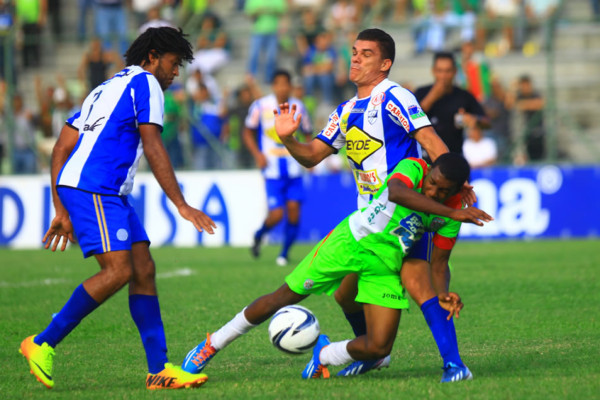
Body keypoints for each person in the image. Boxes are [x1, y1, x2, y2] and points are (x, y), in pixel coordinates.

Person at [252, 28, 478, 379]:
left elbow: (429, 138)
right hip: (368, 224)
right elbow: (312, 156)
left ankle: (454, 365)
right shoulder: (346, 110)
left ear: (385, 63)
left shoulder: (395, 95)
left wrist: (456, 182)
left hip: (405, 210)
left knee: (420, 284)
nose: (355, 57)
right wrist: (289, 139)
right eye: (354, 51)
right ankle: (370, 352)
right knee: (345, 296)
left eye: (365, 53)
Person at [19, 27, 216, 390]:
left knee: (143, 270)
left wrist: (60, 206)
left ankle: (159, 369)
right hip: (97, 188)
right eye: (173, 64)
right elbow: (153, 144)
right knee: (118, 271)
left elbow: (61, 147)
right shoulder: (146, 84)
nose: (175, 73)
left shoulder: (106, 88)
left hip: (103, 191)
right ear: (153, 56)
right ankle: (42, 342)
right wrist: (182, 204)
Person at [181, 153, 492, 382]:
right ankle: (212, 344)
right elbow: (397, 193)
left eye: (443, 191)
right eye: (432, 183)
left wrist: (444, 293)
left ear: (456, 192)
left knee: (379, 346)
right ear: (430, 170)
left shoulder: (453, 214)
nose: (433, 191)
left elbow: (439, 264)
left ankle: (325, 354)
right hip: (349, 243)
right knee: (282, 298)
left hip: (384, 266)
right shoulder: (414, 167)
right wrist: (452, 214)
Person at [243, 69, 313, 266]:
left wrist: (310, 156)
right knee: (276, 215)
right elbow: (247, 132)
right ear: (273, 86)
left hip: (294, 169)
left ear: (290, 86)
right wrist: (258, 154)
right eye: (278, 84)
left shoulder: (299, 107)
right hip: (272, 171)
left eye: (286, 84)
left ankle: (283, 253)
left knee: (293, 212)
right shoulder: (260, 106)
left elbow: (308, 133)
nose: (282, 88)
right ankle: (259, 235)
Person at [415, 51, 490, 158]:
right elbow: (409, 120)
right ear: (433, 71)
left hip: (454, 157)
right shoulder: (421, 92)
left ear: (455, 71)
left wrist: (473, 120)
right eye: (440, 71)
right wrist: (431, 98)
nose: (444, 76)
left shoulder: (463, 95)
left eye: (448, 71)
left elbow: (487, 122)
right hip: (425, 158)